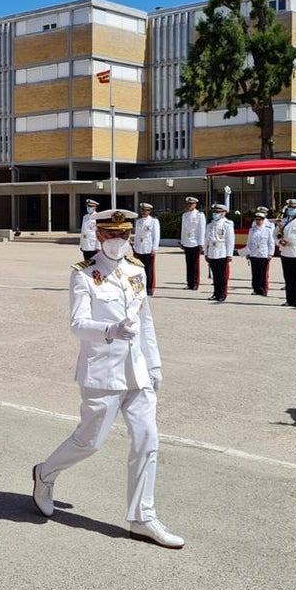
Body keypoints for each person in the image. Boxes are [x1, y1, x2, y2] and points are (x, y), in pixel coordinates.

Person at [31, 208, 183, 550]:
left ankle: (142, 517)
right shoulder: (84, 274)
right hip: (102, 370)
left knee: (147, 440)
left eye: (123, 236)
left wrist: (155, 365)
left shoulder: (136, 270)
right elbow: (77, 324)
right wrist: (110, 331)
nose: (118, 241)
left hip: (137, 370)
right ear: (98, 236)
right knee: (90, 442)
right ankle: (45, 474)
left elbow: (146, 322)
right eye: (111, 235)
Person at [204, 203, 233, 302]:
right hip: (212, 251)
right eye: (214, 212)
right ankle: (216, 293)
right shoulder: (210, 225)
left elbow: (230, 240)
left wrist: (229, 254)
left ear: (223, 213)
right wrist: (206, 253)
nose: (215, 214)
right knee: (215, 275)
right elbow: (206, 240)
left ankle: (222, 294)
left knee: (222, 275)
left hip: (222, 252)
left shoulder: (227, 224)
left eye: (218, 212)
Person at [132, 203, 160, 295]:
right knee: (139, 270)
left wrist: (154, 248)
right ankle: (140, 287)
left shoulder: (153, 221)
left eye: (147, 210)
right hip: (139, 248)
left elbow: (156, 236)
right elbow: (137, 236)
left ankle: (149, 288)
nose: (144, 212)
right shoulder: (139, 221)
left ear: (150, 211)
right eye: (143, 210)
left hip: (148, 249)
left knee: (149, 270)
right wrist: (135, 248)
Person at [245, 207, 275, 295]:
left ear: (263, 220)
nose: (258, 221)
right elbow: (249, 242)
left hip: (263, 254)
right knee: (255, 273)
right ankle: (255, 289)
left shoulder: (268, 230)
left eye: (260, 220)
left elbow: (271, 243)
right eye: (257, 220)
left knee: (262, 273)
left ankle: (262, 289)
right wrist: (248, 252)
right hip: (254, 253)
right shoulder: (252, 230)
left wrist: (270, 254)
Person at [179, 197, 206, 290]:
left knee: (195, 264)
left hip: (195, 242)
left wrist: (201, 243)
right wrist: (182, 241)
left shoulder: (199, 215)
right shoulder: (185, 215)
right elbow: (183, 229)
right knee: (188, 264)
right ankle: (189, 283)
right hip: (187, 242)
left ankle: (195, 283)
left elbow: (202, 230)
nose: (189, 205)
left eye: (191, 204)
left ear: (195, 204)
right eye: (188, 204)